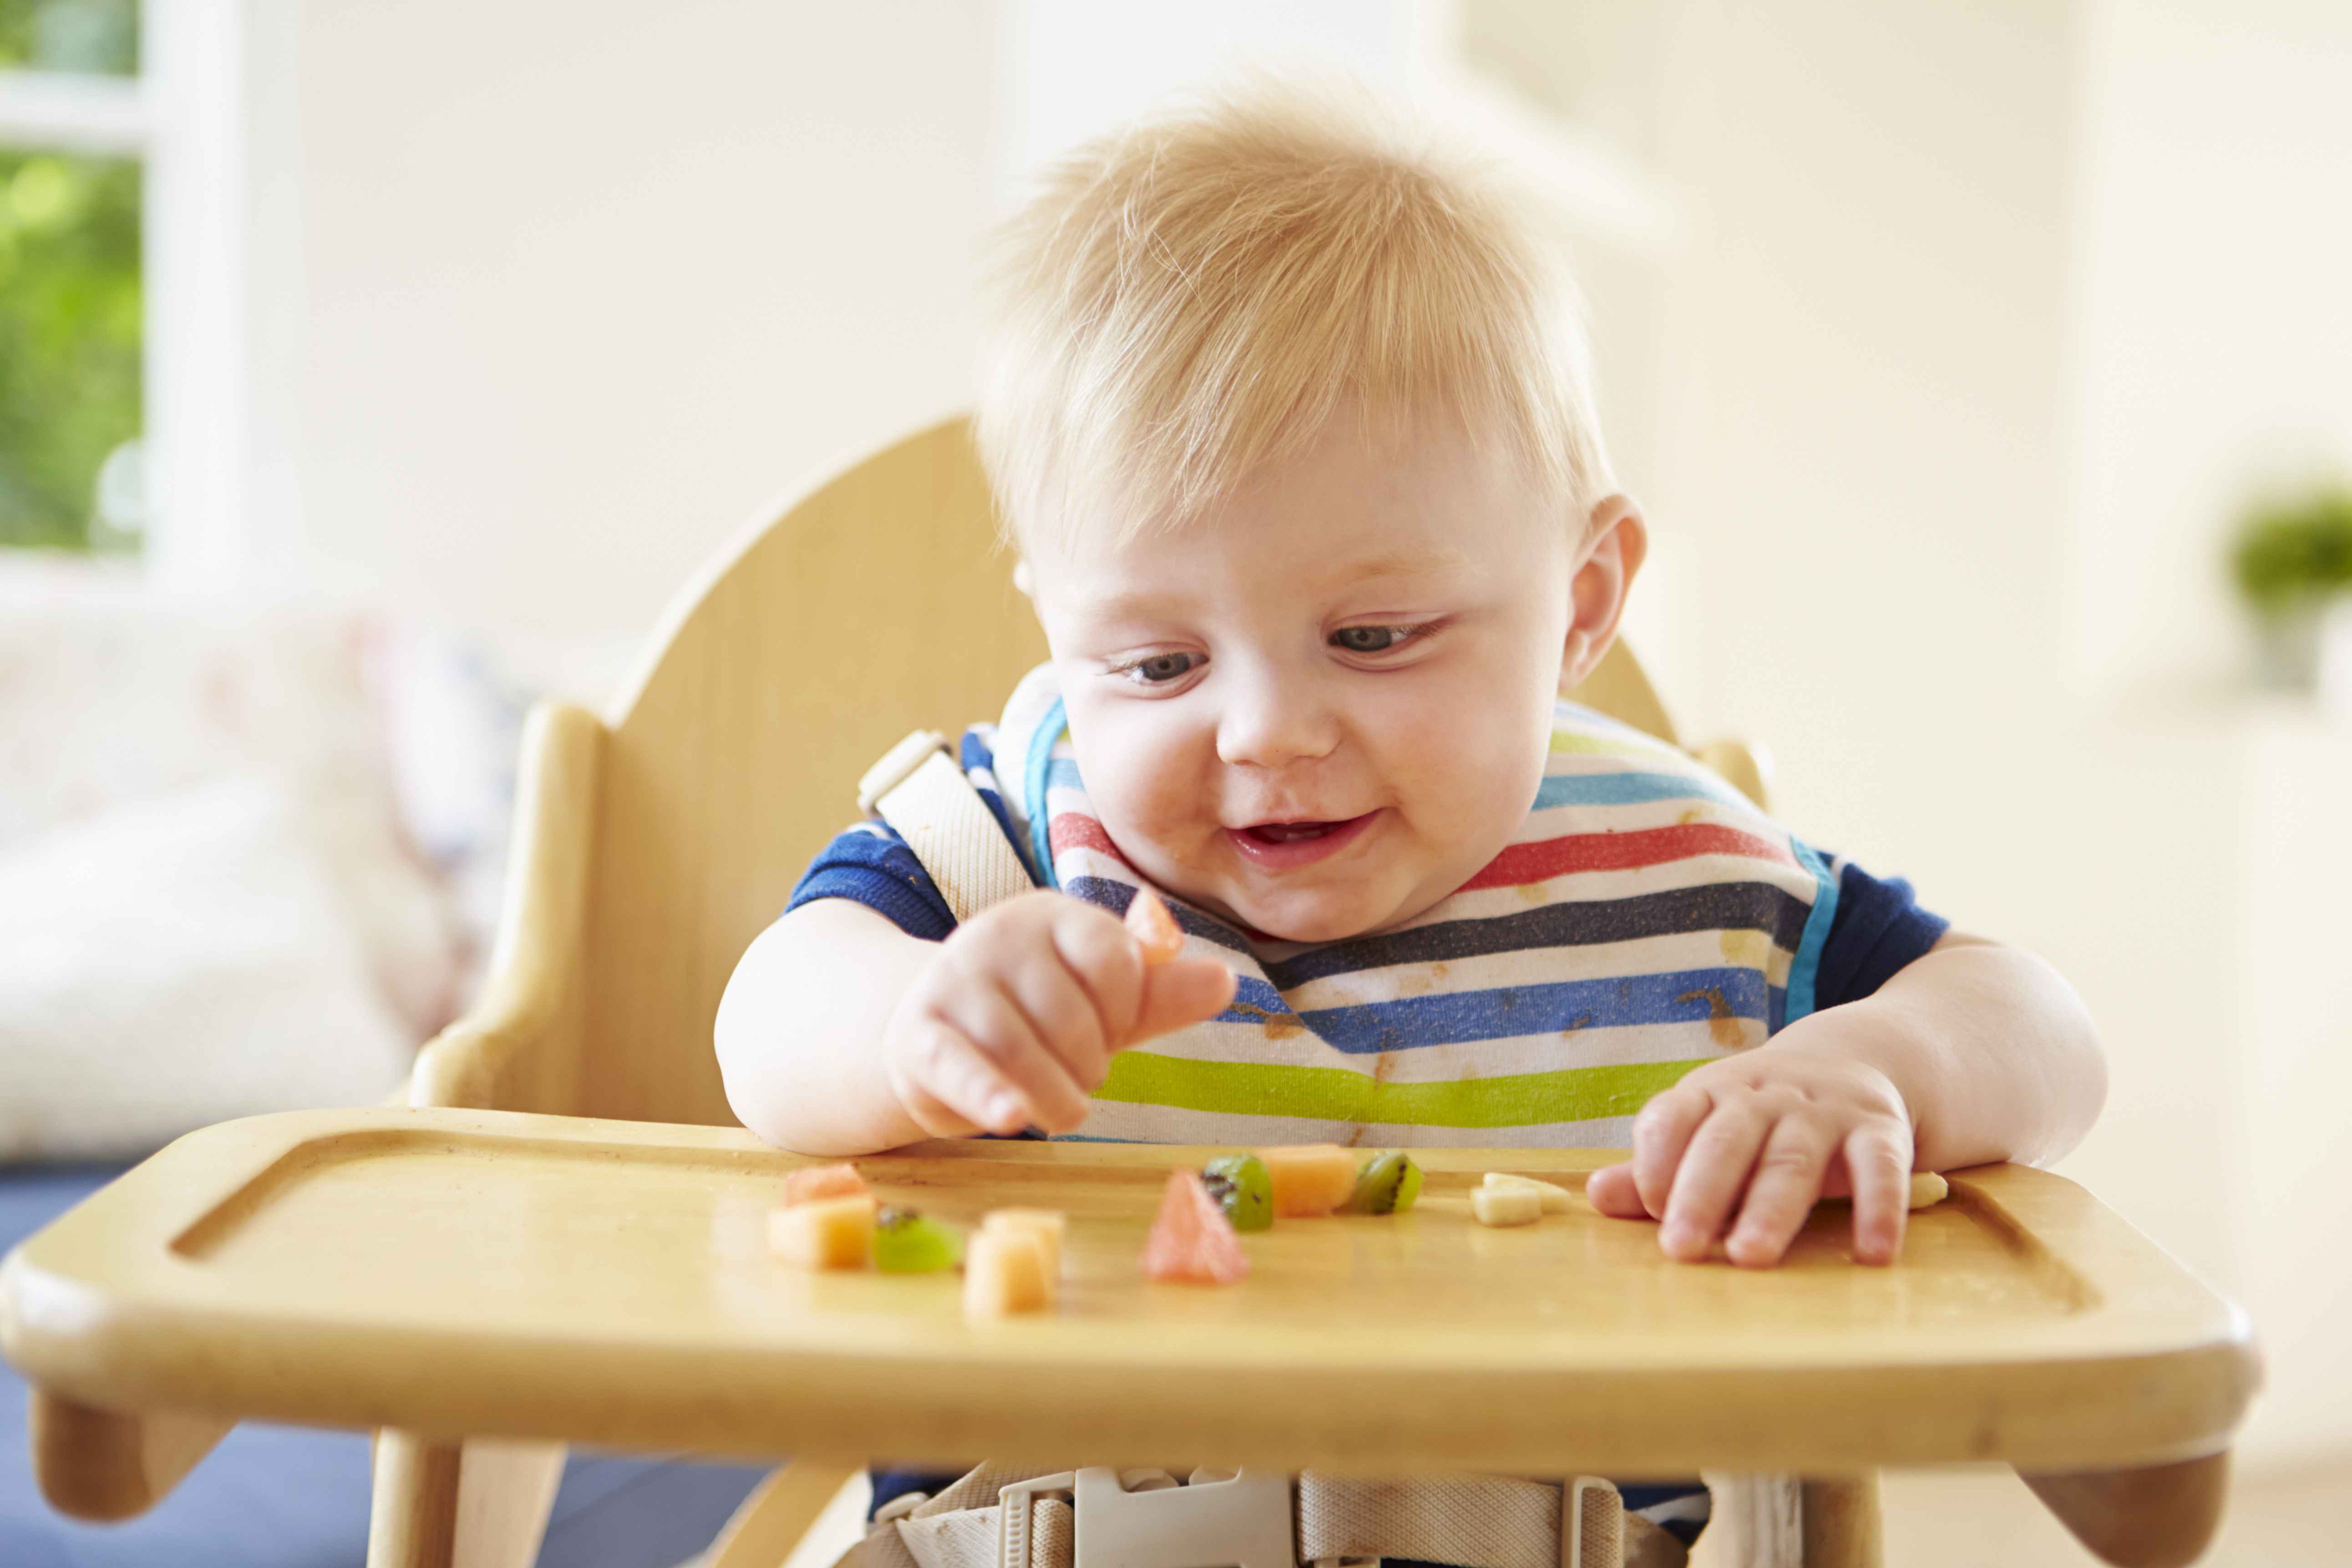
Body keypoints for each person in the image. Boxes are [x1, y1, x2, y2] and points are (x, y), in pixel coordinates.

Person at [714, 85, 2106, 1543]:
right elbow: (766, 1027)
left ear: (1578, 607)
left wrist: (1879, 1062)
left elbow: (2041, 1029)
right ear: (1061, 636)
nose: (1264, 732)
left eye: (1373, 638)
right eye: (1157, 664)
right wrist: (919, 1026)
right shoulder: (999, 859)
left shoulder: (1689, 893)